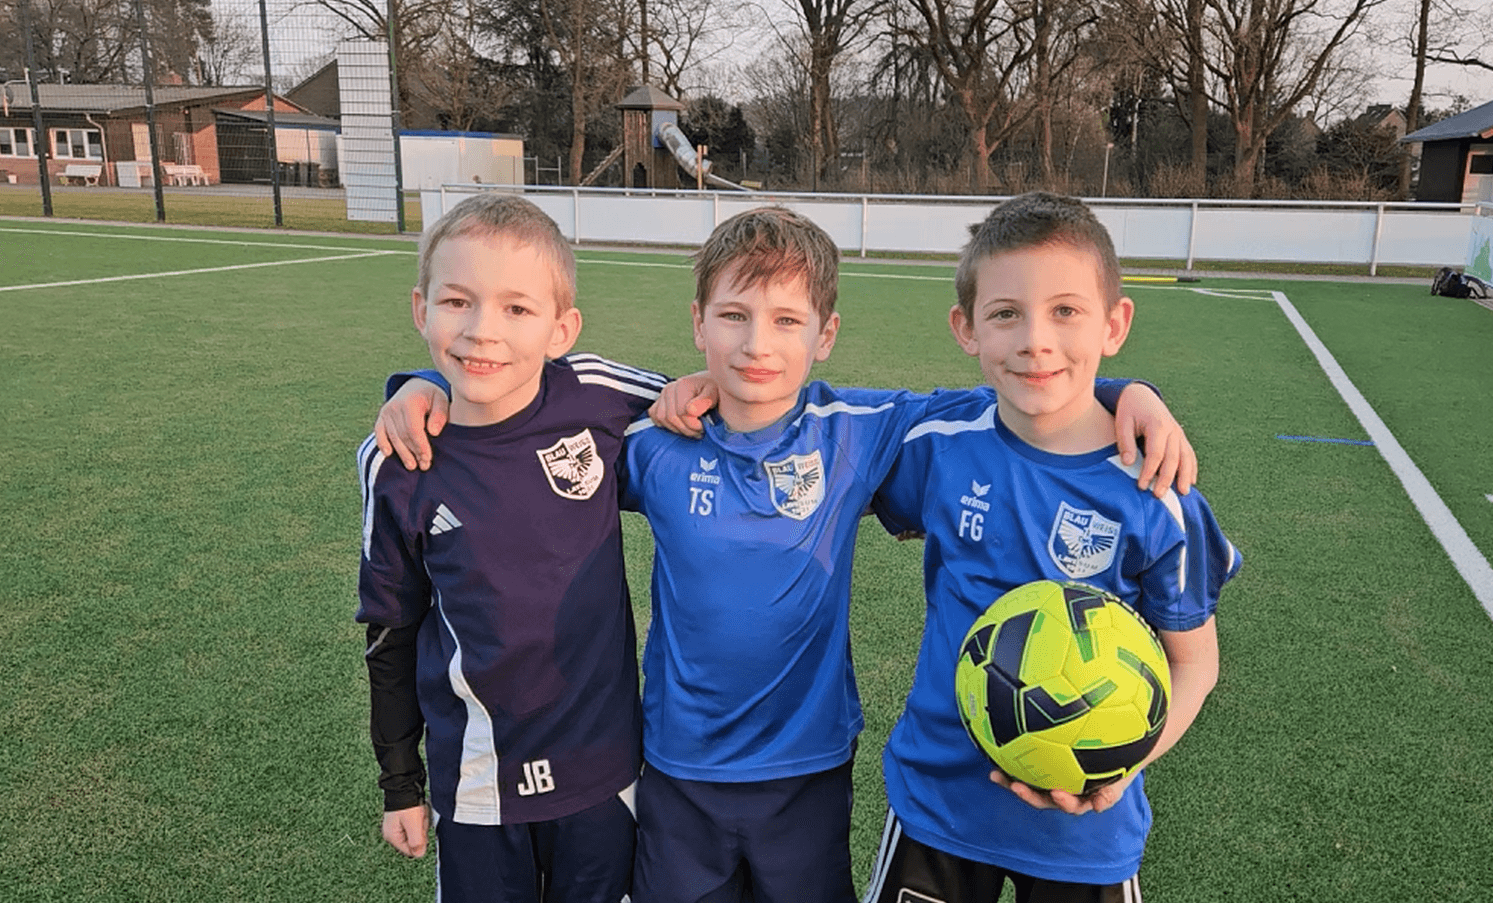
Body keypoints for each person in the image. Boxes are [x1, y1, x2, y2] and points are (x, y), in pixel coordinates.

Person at [376, 205, 1194, 903]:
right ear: (699, 324)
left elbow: (1020, 402)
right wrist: (424, 386)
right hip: (675, 769)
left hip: (806, 773)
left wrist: (1131, 393)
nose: (756, 343)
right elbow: (526, 411)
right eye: (733, 316)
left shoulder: (860, 432)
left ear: (825, 334)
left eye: (787, 321)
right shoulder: (656, 444)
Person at [860, 192, 1242, 903]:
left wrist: (1122, 764)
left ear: (1114, 323)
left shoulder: (1159, 490)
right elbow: (802, 419)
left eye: (1066, 310)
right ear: (966, 328)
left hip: (1085, 832)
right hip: (941, 808)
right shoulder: (939, 441)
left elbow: (1196, 662)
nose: (1036, 339)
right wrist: (702, 388)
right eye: (1006, 313)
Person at [356, 192, 671, 903]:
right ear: (421, 309)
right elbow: (391, 631)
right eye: (457, 302)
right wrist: (400, 782)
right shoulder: (398, 459)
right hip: (476, 781)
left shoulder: (593, 394)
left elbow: (694, 398)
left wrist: (420, 380)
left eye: (517, 309)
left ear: (563, 328)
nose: (480, 332)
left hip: (603, 770)